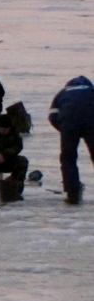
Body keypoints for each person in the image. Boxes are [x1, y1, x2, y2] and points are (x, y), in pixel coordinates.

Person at [49, 76, 94, 205]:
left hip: (68, 125)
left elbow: (52, 116)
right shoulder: (92, 91)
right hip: (92, 124)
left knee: (68, 158)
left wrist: (63, 129)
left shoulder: (62, 94)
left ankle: (72, 193)